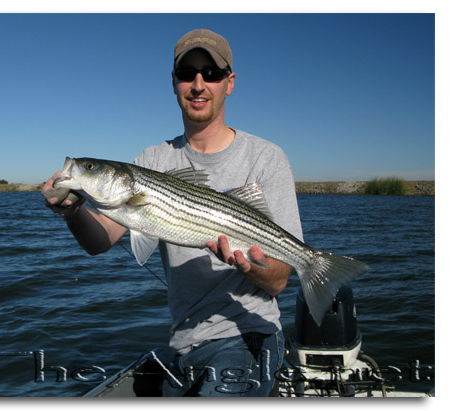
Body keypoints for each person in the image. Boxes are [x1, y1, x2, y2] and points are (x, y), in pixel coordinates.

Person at [42, 29, 303, 397]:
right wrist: (72, 210)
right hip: (183, 345)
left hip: (247, 338)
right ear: (174, 83)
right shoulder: (153, 160)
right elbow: (100, 240)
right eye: (187, 74)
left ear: (229, 83)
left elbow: (278, 281)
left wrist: (249, 265)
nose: (198, 84)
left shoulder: (266, 158)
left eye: (211, 74)